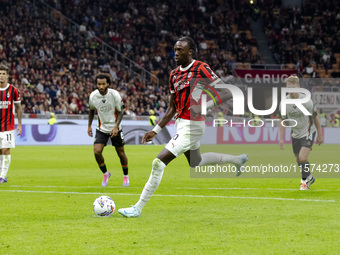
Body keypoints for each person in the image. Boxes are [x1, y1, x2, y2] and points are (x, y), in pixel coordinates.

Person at [118, 36, 248, 217]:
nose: (176, 53)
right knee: (197, 162)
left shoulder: (201, 68)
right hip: (182, 124)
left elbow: (227, 92)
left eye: (181, 50)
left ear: (190, 52)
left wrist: (204, 106)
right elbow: (173, 107)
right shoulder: (173, 75)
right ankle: (237, 160)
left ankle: (137, 208)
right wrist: (155, 131)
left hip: (193, 125)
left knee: (158, 162)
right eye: (175, 49)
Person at [279, 75, 323, 190]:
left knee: (303, 158)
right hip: (295, 134)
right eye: (289, 88)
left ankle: (304, 183)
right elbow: (282, 120)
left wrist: (320, 134)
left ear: (298, 87)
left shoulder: (306, 101)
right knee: (298, 160)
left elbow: (315, 117)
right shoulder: (284, 102)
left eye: (293, 87)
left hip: (308, 131)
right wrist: (281, 138)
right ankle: (309, 177)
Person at [87, 73, 129, 187]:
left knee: (121, 153)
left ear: (108, 84)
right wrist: (89, 125)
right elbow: (91, 110)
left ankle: (125, 176)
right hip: (101, 128)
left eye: (103, 84)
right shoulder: (93, 96)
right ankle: (106, 173)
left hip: (116, 128)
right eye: (99, 84)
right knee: (97, 151)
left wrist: (116, 126)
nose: (101, 86)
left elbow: (121, 111)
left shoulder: (114, 94)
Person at [0, 64, 22, 183]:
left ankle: (2, 176)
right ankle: (2, 174)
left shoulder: (13, 90)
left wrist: (19, 124)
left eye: (3, 74)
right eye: (0, 74)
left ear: (7, 76)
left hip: (8, 126)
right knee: (0, 151)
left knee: (6, 150)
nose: (1, 76)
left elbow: (18, 108)